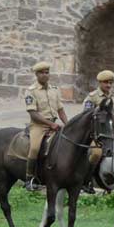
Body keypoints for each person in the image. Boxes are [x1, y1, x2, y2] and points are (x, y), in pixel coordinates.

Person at [23, 62, 67, 191]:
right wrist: (51, 124)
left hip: (55, 124)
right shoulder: (31, 91)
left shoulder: (54, 90)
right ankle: (29, 178)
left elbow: (61, 110)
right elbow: (33, 113)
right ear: (36, 74)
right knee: (35, 148)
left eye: (46, 72)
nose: (44, 75)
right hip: (39, 125)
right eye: (41, 73)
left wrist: (68, 125)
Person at [81, 69, 114, 192]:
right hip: (95, 133)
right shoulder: (92, 97)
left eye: (110, 82)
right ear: (100, 83)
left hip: (110, 132)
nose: (109, 85)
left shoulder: (112, 97)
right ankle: (86, 180)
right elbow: (86, 116)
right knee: (96, 153)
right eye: (106, 82)